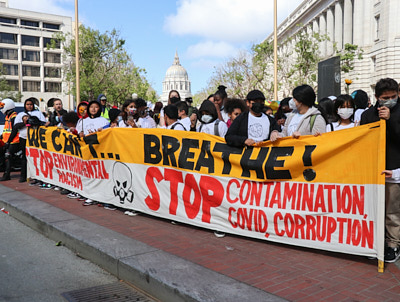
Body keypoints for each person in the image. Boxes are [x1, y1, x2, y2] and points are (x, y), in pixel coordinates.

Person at [360, 78, 400, 263]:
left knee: (392, 212)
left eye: (394, 96)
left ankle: (393, 244)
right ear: (376, 97)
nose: (390, 100)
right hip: (374, 170)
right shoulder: (368, 115)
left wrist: (390, 121)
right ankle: (377, 242)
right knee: (375, 209)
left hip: (394, 170)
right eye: (386, 97)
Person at [10, 98, 47, 182]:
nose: (29, 106)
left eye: (31, 104)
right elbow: (15, 126)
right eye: (27, 104)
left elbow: (44, 124)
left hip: (36, 138)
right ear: (25, 105)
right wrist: (25, 122)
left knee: (36, 157)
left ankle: (37, 176)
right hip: (24, 138)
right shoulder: (20, 114)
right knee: (24, 157)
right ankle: (23, 176)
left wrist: (36, 122)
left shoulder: (38, 113)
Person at [0, 99, 20, 181]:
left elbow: (14, 130)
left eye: (3, 106)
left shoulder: (14, 117)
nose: (2, 108)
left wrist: (8, 141)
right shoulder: (8, 116)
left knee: (8, 156)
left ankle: (7, 174)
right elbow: (6, 130)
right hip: (7, 140)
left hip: (14, 141)